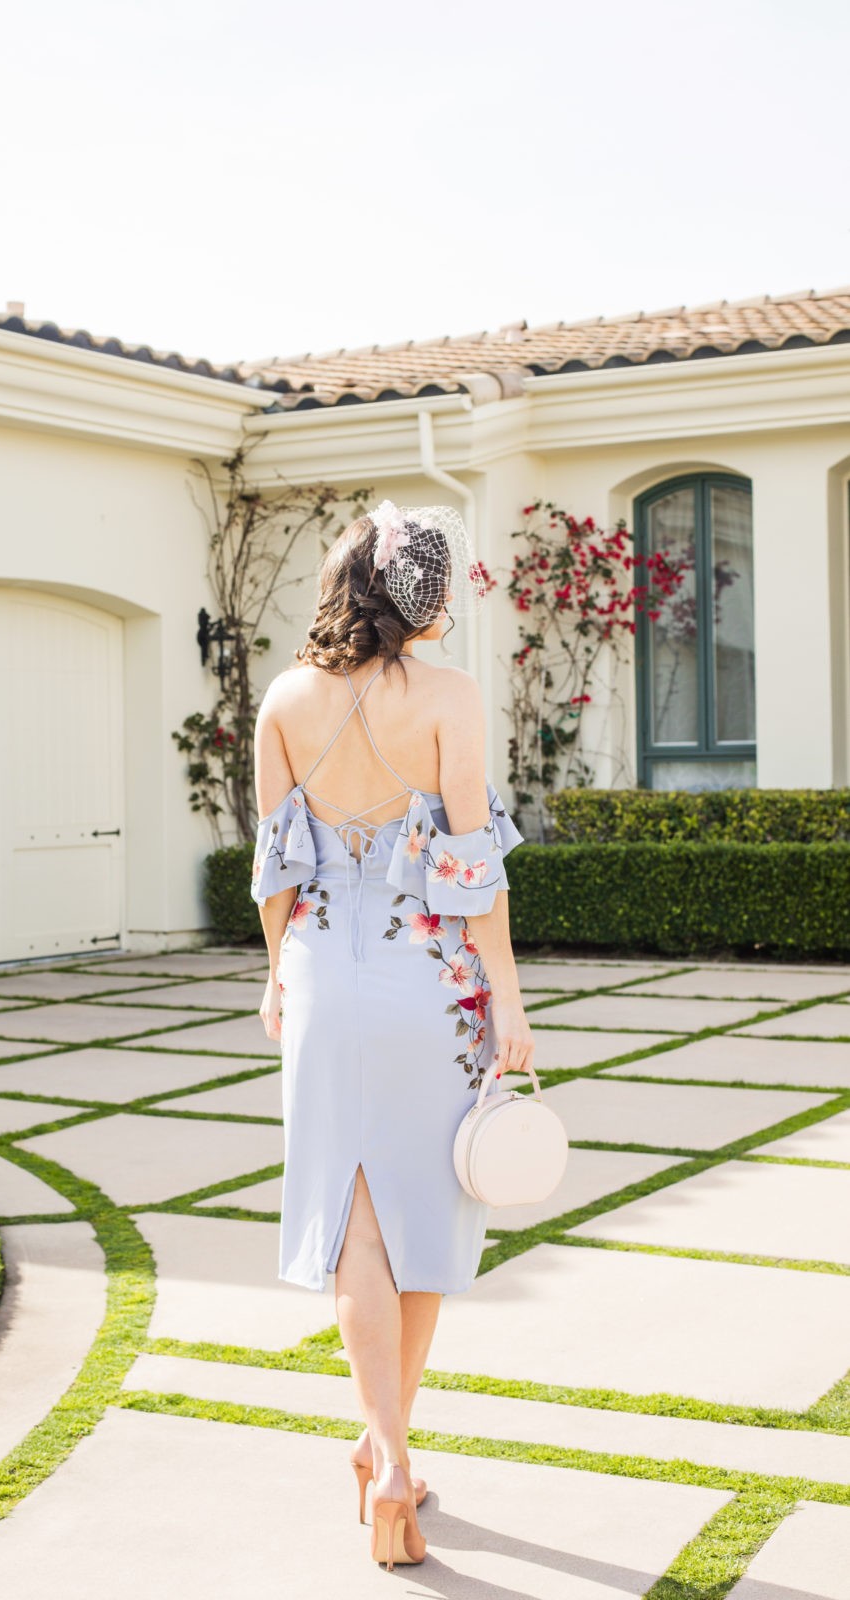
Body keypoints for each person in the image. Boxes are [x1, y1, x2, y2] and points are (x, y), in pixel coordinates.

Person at [249, 499, 535, 1572]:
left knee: (353, 1224)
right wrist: (505, 998)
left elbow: (274, 870)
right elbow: (472, 871)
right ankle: (391, 1457)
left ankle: (386, 1456)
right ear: (418, 596)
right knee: (417, 1221)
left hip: (325, 980)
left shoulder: (283, 698)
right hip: (430, 983)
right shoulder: (447, 699)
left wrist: (278, 975)